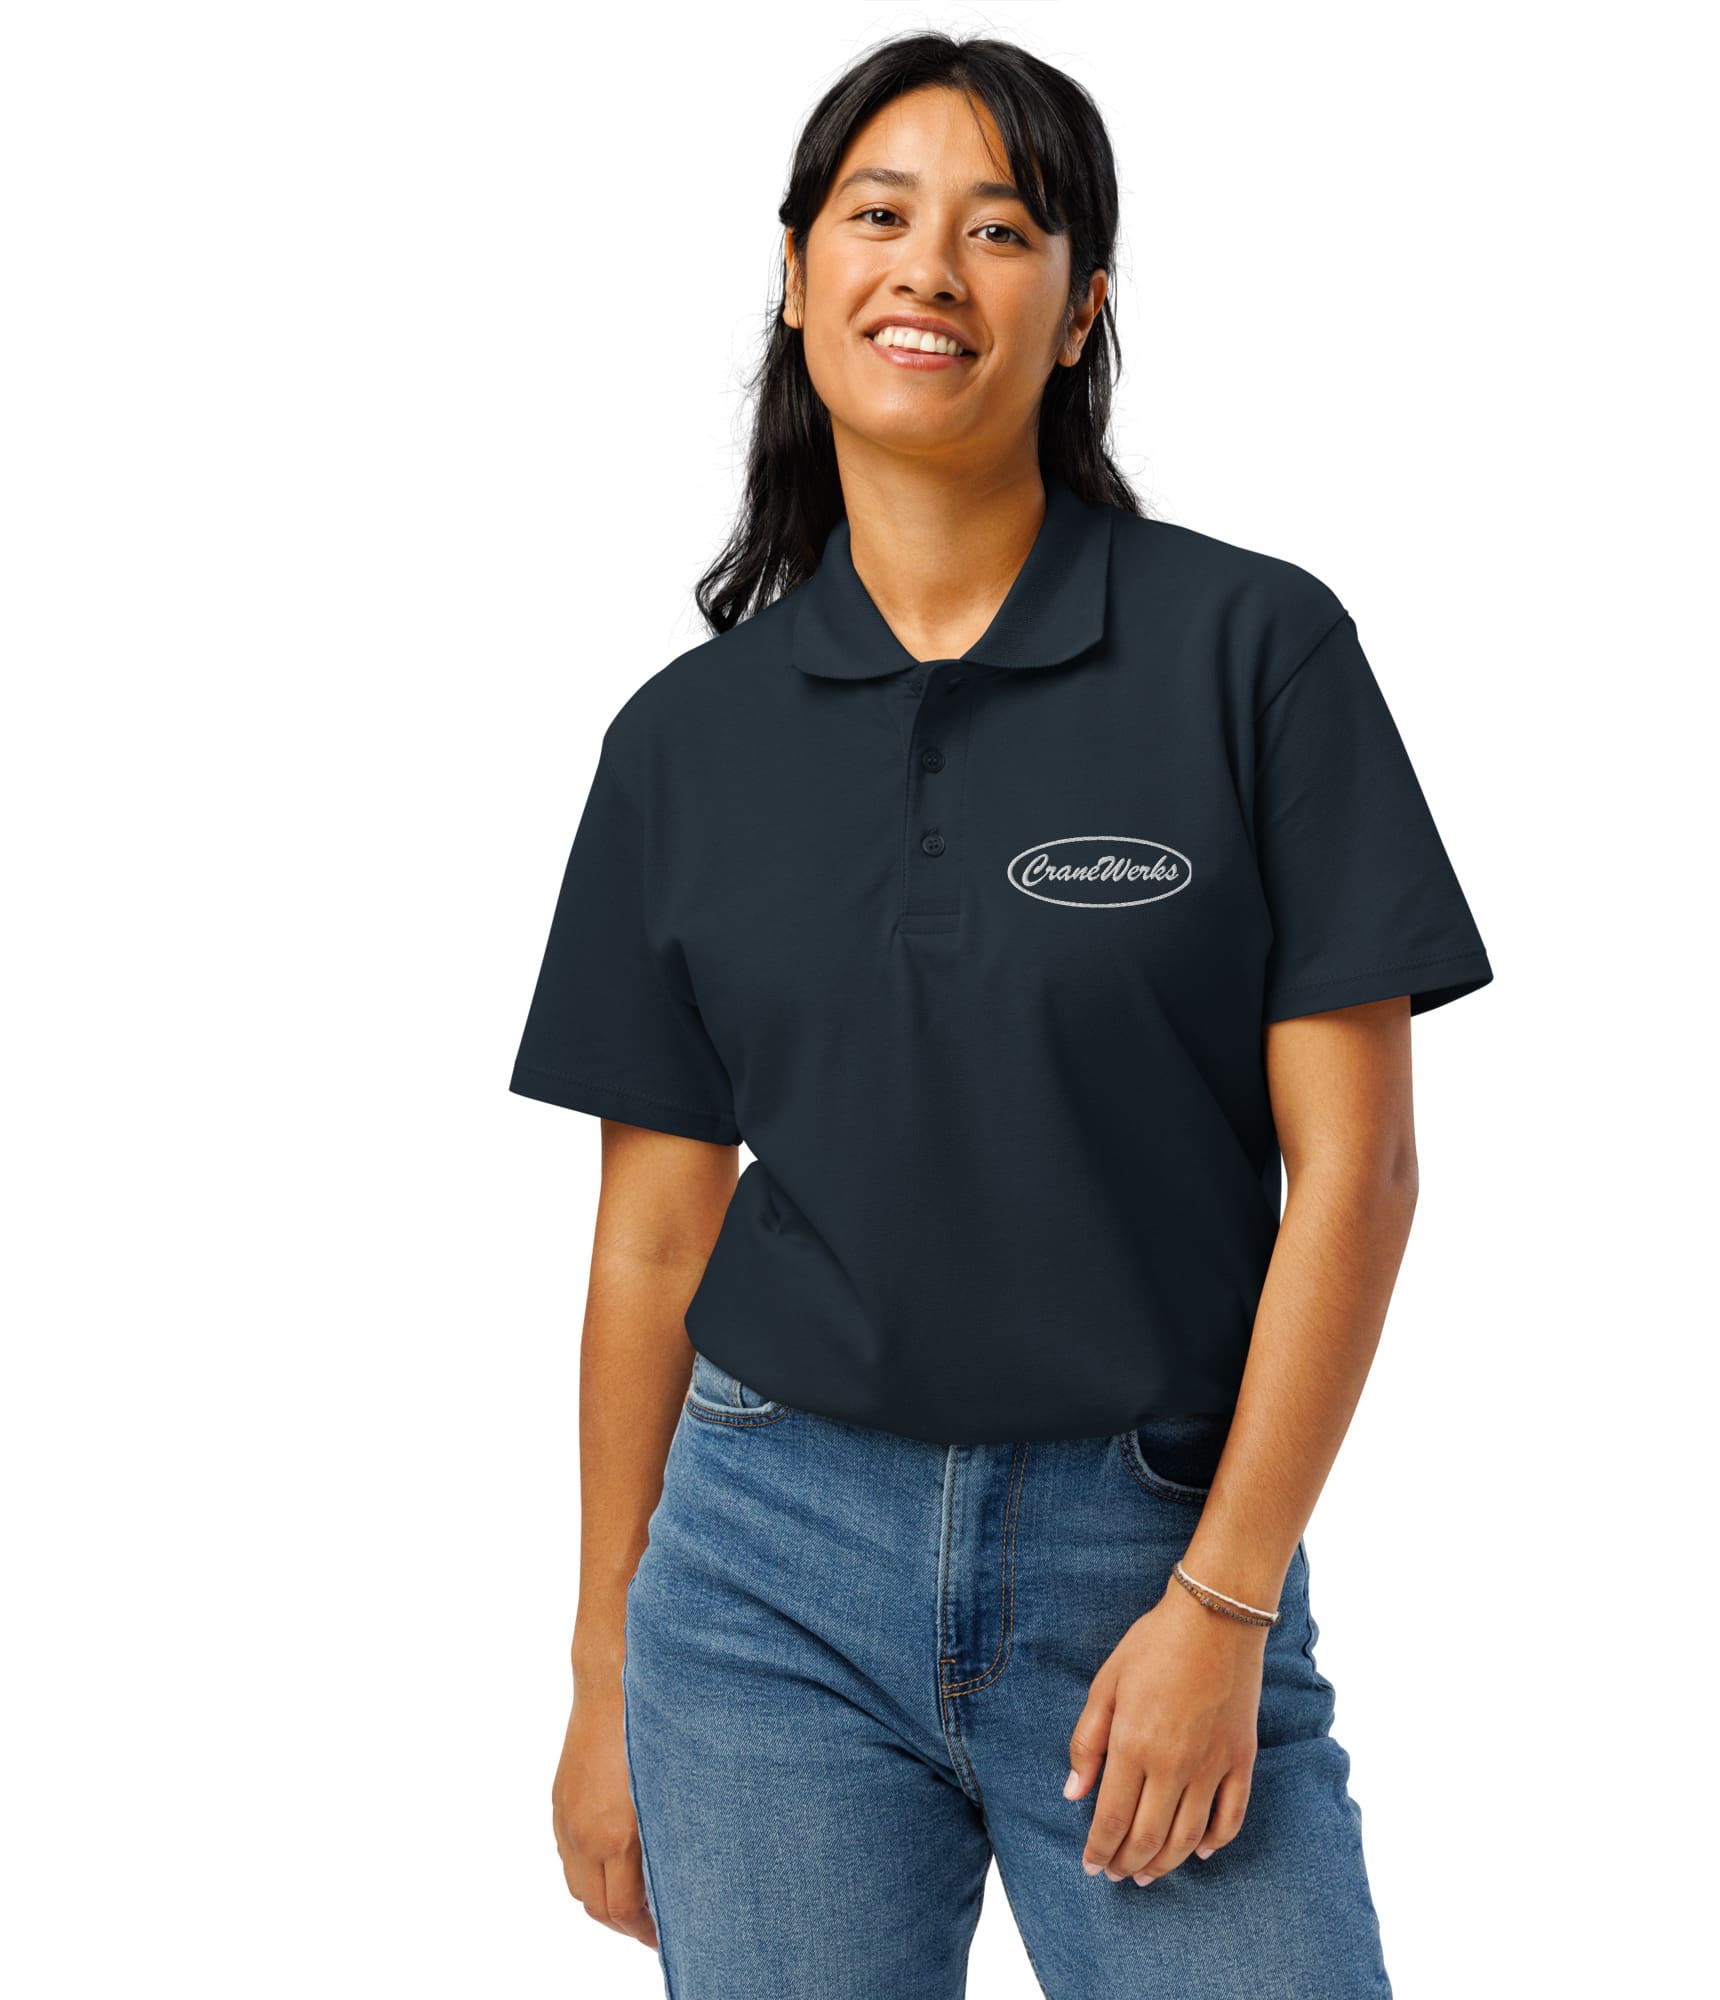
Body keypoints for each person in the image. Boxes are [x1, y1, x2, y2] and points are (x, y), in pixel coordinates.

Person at [509, 30, 1490, 1999]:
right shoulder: (682, 744)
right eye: (878, 215)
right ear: (799, 278)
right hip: (762, 1578)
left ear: (1081, 309)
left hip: (1150, 1550)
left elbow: (1358, 1170)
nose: (929, 269)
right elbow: (651, 1242)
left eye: (1001, 228)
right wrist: (604, 1666)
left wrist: (1224, 1600)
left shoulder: (1253, 653)